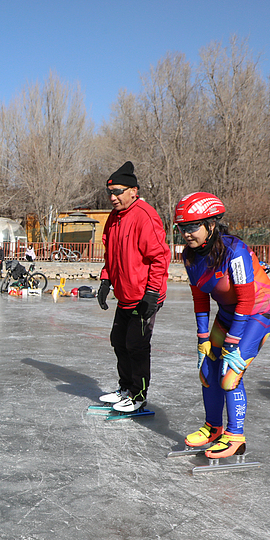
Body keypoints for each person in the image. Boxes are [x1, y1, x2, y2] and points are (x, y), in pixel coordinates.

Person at [176, 192, 270, 458]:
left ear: (211, 225)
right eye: (181, 228)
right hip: (229, 312)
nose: (186, 233)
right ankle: (213, 427)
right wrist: (202, 340)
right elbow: (200, 298)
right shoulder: (189, 256)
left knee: (230, 372)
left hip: (258, 309)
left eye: (192, 227)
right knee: (208, 369)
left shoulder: (235, 251)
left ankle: (235, 437)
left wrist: (232, 343)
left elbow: (246, 300)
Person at [96, 161, 171, 413]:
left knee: (136, 346)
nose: (113, 197)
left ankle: (138, 395)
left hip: (144, 295)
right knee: (118, 340)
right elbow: (111, 252)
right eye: (110, 192)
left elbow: (159, 257)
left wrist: (152, 293)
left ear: (133, 191)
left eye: (117, 191)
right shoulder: (114, 217)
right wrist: (106, 280)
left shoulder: (145, 215)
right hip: (125, 294)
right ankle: (126, 388)